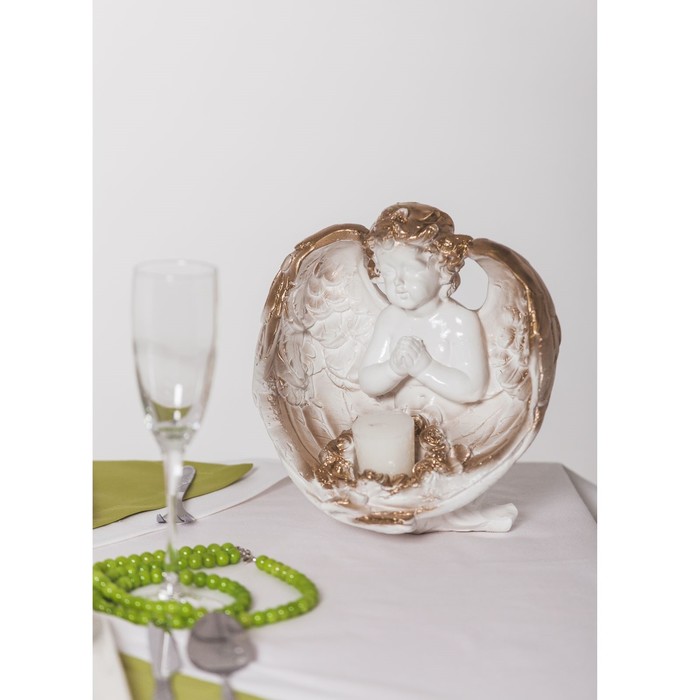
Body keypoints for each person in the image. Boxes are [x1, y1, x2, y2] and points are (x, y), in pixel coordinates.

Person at [358, 203, 489, 417]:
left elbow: (473, 389)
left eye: (411, 270)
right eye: (388, 272)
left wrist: (424, 367)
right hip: (401, 420)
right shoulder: (390, 319)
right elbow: (367, 380)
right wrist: (392, 369)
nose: (398, 282)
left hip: (453, 425)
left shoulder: (460, 321)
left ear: (443, 270)